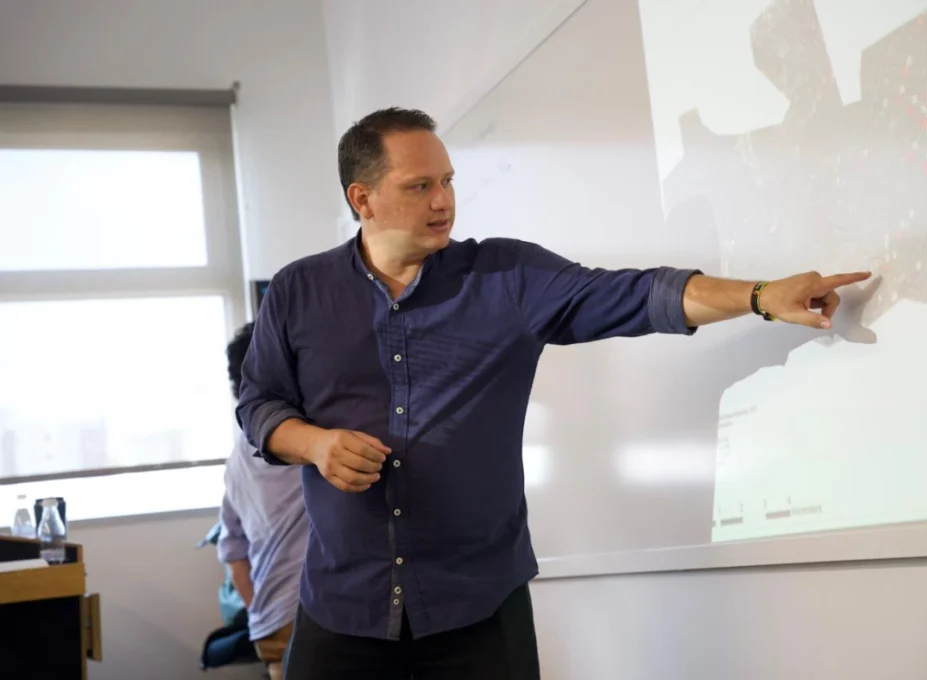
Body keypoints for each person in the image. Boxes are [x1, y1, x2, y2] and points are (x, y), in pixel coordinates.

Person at [236, 107, 871, 679]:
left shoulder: (506, 275)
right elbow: (259, 404)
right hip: (343, 608)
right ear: (362, 198)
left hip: (477, 609)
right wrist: (314, 445)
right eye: (419, 186)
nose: (444, 201)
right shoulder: (298, 292)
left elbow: (636, 294)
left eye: (448, 181)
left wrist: (759, 296)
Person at [218, 322, 308, 680]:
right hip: (311, 615)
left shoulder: (236, 457)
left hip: (269, 622)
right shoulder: (304, 440)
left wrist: (259, 611)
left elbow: (233, 550)